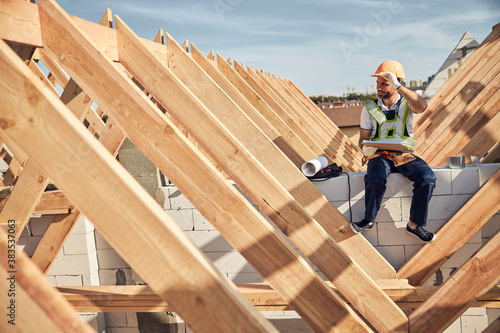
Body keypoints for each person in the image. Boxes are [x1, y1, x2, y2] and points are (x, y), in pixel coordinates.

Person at [350, 60, 437, 243]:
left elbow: (422, 106)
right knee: (375, 176)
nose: (379, 87)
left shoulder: (407, 104)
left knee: (427, 178)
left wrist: (400, 87)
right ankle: (368, 219)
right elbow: (362, 139)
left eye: (384, 83)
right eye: (378, 83)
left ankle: (414, 225)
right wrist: (366, 148)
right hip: (380, 155)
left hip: (404, 155)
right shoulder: (369, 109)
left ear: (396, 83)